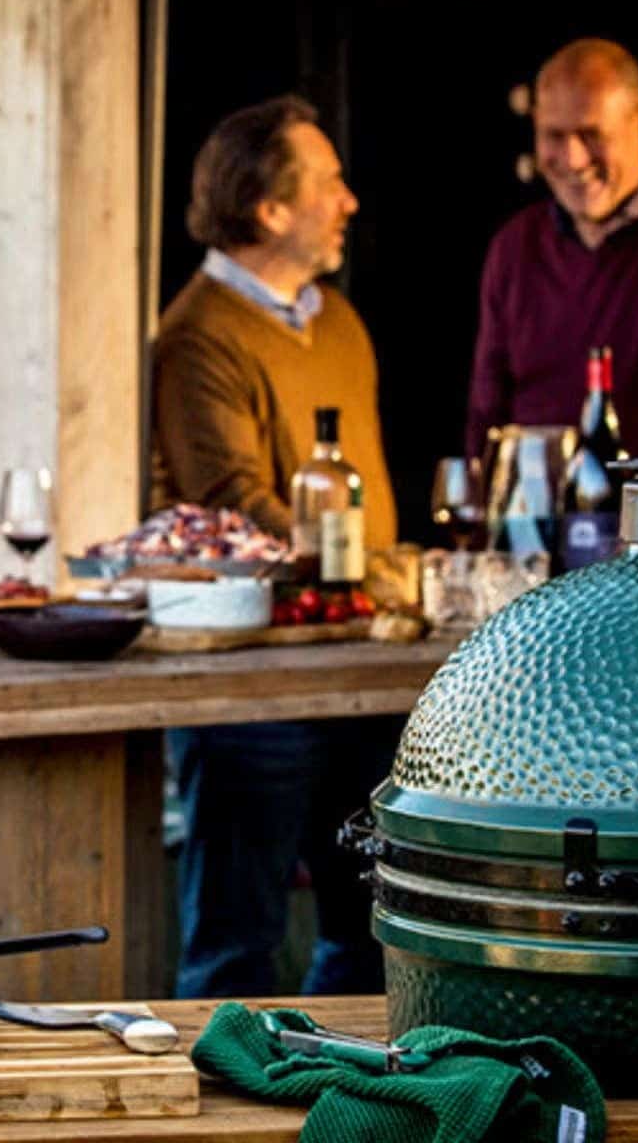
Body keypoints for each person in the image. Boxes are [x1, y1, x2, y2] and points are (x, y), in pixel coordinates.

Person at [149, 94, 401, 997]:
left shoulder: (337, 321)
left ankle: (349, 1118)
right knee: (234, 947)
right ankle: (225, 1128)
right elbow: (236, 511)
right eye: (328, 184)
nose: (348, 201)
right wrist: (370, 567)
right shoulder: (196, 336)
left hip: (357, 670)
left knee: (372, 938)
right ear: (269, 209)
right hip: (251, 685)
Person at [465, 38, 638, 460]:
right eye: (553, 135)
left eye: (591, 134)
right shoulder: (514, 245)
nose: (573, 158)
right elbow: (485, 412)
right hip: (533, 520)